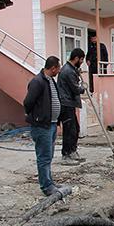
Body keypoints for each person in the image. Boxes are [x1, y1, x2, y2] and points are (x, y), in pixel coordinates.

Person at [23, 56, 64, 196]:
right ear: (53, 68)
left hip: (51, 124)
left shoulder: (50, 81)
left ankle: (49, 182)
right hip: (42, 126)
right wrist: (36, 117)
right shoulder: (38, 82)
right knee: (44, 156)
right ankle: (46, 186)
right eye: (58, 68)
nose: (58, 71)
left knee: (49, 155)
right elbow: (28, 102)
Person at [57, 48, 86, 164]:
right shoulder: (68, 71)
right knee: (69, 130)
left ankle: (72, 151)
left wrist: (77, 73)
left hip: (69, 103)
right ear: (76, 58)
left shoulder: (71, 69)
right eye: (81, 59)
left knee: (75, 129)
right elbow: (75, 89)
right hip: (66, 103)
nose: (82, 62)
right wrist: (83, 89)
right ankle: (66, 155)